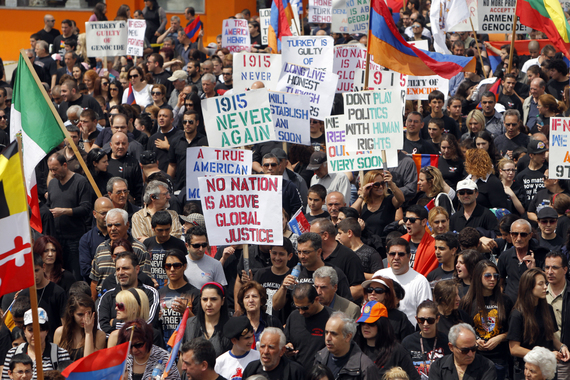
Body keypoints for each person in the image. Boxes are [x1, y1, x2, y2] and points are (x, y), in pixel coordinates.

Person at [508, 268, 570, 379]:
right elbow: (514, 349)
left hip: (547, 369)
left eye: (545, 283)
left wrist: (562, 346)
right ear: (529, 287)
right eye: (540, 284)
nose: (545, 287)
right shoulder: (517, 314)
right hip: (527, 369)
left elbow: (551, 336)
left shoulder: (547, 309)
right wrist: (546, 356)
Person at [459, 260, 512, 380]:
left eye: (496, 276)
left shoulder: (505, 301)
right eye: (488, 275)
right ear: (479, 277)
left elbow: (514, 330)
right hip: (474, 357)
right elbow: (461, 328)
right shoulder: (467, 302)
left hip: (500, 358)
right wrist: (475, 340)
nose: (492, 279)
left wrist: (499, 338)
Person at [46, 152, 92, 280]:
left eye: (55, 169)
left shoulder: (80, 182)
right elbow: (49, 205)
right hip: (56, 239)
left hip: (74, 239)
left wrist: (64, 211)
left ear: (64, 165)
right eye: (50, 170)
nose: (53, 173)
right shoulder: (53, 184)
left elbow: (86, 208)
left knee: (75, 275)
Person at [96, 251, 159, 335]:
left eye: (125, 268)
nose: (121, 273)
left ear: (137, 269)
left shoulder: (150, 293)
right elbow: (102, 328)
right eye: (118, 269)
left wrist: (114, 322)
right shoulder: (107, 296)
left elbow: (148, 323)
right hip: (115, 346)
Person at [373, 238, 432, 327]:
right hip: (379, 330)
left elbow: (426, 313)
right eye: (392, 254)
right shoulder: (379, 275)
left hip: (407, 334)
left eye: (401, 254)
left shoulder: (420, 281)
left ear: (409, 256)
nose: (396, 257)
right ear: (387, 256)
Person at [354, 302, 419, 380]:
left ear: (382, 324)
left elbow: (414, 378)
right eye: (362, 322)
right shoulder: (354, 350)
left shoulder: (397, 351)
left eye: (371, 323)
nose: (365, 326)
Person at [1, 309, 70, 380]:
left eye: (39, 330)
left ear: (47, 331)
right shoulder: (12, 353)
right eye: (30, 330)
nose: (35, 334)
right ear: (24, 330)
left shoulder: (60, 354)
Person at [315, 311, 380, 380]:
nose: (328, 338)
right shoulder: (320, 358)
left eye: (333, 334)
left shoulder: (365, 367)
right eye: (326, 332)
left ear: (348, 337)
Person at [284, 283, 333, 368]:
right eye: (297, 307)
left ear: (317, 299)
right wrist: (287, 349)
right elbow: (286, 341)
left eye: (305, 308)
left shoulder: (332, 318)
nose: (301, 312)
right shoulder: (293, 317)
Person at [428, 323, 497, 380]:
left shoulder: (487, 366)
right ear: (451, 347)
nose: (470, 354)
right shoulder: (438, 367)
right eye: (465, 350)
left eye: (473, 349)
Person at [402, 300, 450, 378]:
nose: (425, 324)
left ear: (437, 319)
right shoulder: (408, 342)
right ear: (416, 319)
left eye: (430, 320)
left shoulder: (446, 341)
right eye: (421, 320)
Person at [352, 170, 404, 242]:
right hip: (368, 244)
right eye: (376, 184)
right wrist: (362, 195)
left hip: (385, 244)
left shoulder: (389, 200)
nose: (380, 187)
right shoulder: (363, 203)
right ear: (369, 185)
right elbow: (350, 213)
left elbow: (401, 199)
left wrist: (391, 184)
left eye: (382, 183)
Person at [183, 282, 231, 357]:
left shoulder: (230, 325)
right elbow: (182, 357)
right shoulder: (190, 324)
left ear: (222, 301)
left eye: (213, 299)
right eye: (205, 299)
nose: (208, 304)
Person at [53, 293, 106, 361]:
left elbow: (89, 362)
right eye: (80, 315)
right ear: (72, 313)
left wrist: (89, 333)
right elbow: (55, 361)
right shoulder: (60, 332)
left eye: (88, 313)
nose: (84, 319)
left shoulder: (99, 335)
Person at [362, 276, 414, 342]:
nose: (373, 293)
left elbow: (407, 342)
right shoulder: (364, 313)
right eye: (369, 290)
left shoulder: (399, 317)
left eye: (378, 290)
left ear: (387, 295)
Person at [544, 251, 570, 378]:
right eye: (547, 267)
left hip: (566, 358)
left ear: (565, 269)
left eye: (554, 267)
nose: (549, 272)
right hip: (544, 356)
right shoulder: (538, 294)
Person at [215, 316, 260, 380]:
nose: (251, 341)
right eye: (247, 338)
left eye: (251, 336)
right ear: (234, 340)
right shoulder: (220, 363)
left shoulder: (258, 357)